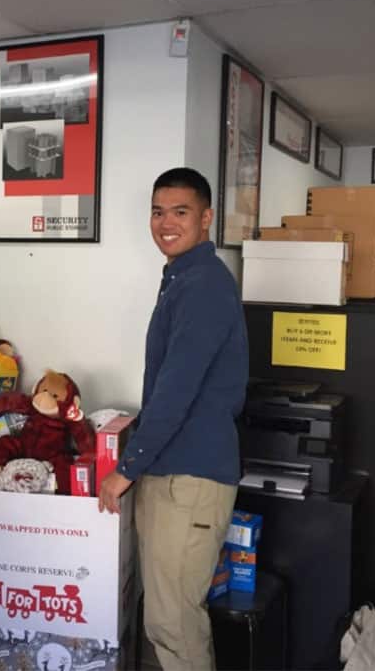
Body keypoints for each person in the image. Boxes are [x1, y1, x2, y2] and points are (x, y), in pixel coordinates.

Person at [98, 167, 249, 671]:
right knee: (165, 619)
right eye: (158, 212)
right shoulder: (182, 278)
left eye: (180, 212)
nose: (166, 222)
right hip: (173, 472)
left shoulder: (202, 285)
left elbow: (178, 387)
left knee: (174, 623)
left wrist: (126, 468)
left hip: (189, 478)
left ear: (206, 218)